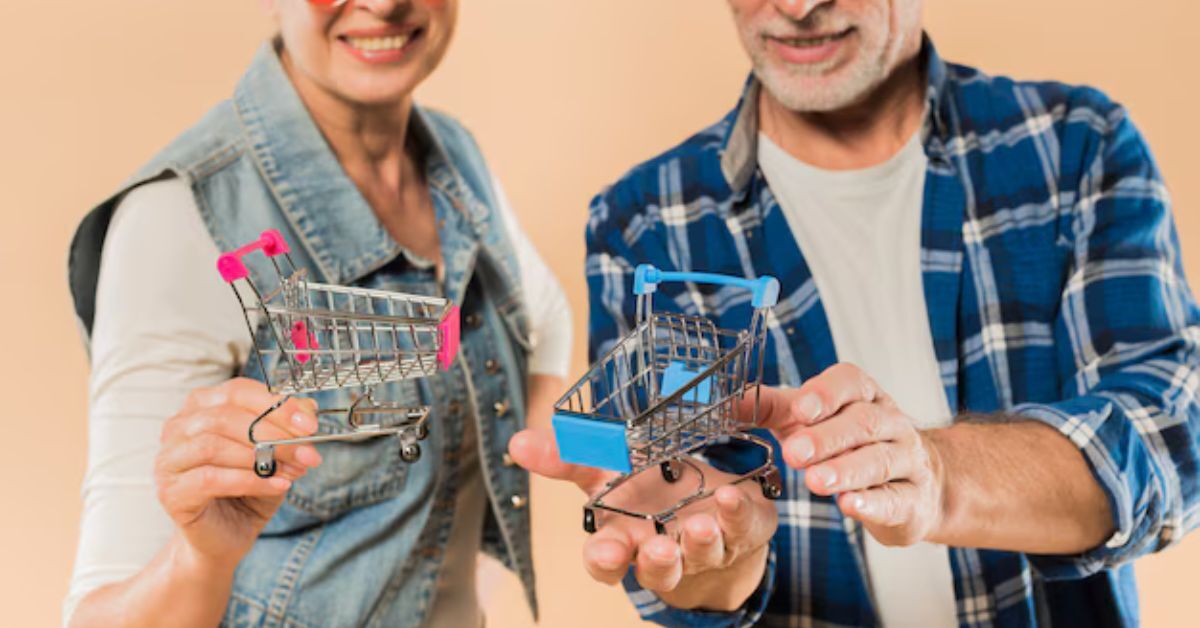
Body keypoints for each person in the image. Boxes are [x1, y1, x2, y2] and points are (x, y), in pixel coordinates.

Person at [510, 0, 1200, 625]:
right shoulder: (642, 224)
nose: (798, 7)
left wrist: (938, 477)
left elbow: (1169, 431)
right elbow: (694, 556)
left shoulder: (1073, 147)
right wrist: (715, 558)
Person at [64, 1, 570, 626]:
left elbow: (545, 318)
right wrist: (202, 558)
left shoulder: (457, 163)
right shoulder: (177, 221)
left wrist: (545, 450)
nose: (385, 3)